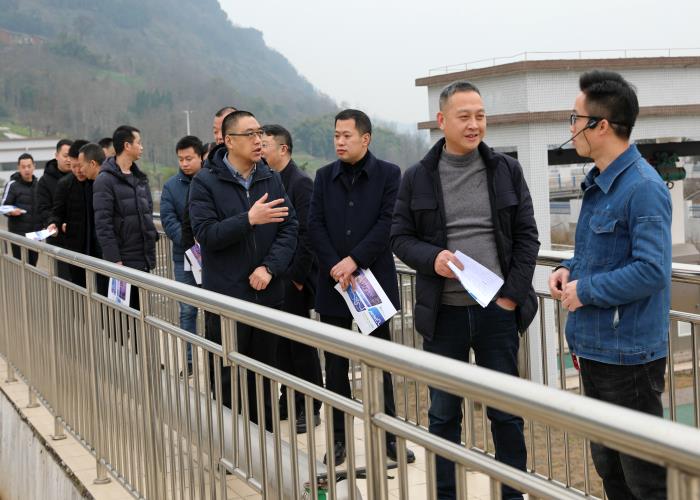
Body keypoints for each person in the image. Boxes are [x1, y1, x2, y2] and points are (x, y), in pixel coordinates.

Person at [391, 81, 539, 500]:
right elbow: (399, 237)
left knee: (506, 413)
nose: (474, 124)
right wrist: (432, 258)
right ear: (442, 121)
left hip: (497, 312)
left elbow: (527, 237)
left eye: (480, 116)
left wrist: (510, 297)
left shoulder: (506, 170)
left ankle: (513, 494)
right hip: (444, 315)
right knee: (443, 415)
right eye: (465, 117)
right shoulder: (417, 177)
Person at [549, 70, 671, 500]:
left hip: (629, 357)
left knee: (644, 480)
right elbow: (597, 252)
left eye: (575, 118)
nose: (571, 128)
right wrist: (568, 268)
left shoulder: (643, 188)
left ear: (601, 126)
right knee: (611, 472)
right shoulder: (600, 184)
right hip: (596, 349)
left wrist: (585, 291)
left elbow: (652, 269)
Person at [308, 109, 414, 466]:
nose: (339, 141)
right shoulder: (324, 176)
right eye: (336, 135)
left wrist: (354, 260)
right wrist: (336, 266)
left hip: (372, 285)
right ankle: (338, 440)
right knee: (336, 366)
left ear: (365, 139)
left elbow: (388, 223)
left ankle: (389, 438)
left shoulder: (389, 174)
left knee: (380, 363)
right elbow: (315, 225)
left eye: (346, 136)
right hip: (334, 286)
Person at [189, 110, 297, 431]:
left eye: (259, 132)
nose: (258, 140)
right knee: (227, 377)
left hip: (266, 296)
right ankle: (230, 445)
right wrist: (249, 219)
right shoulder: (205, 182)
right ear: (229, 141)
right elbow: (206, 234)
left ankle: (264, 445)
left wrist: (270, 267)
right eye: (250, 134)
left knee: (264, 377)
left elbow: (289, 227)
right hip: (227, 300)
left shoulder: (269, 177)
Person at [261, 124, 322, 433]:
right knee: (280, 344)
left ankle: (310, 405)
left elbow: (308, 234)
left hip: (294, 278)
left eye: (265, 145)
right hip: (274, 274)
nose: (260, 150)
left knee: (300, 345)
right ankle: (289, 397)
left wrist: (297, 276)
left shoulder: (300, 183)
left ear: (283, 149)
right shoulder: (269, 181)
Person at [93, 125, 158, 310]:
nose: (142, 147)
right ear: (127, 146)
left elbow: (147, 212)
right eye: (139, 143)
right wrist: (114, 260)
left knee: (142, 313)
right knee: (122, 316)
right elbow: (103, 224)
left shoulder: (140, 179)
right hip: (123, 261)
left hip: (142, 259)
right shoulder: (105, 180)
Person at [160, 135, 205, 375]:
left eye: (189, 158)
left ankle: (217, 360)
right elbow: (168, 220)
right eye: (181, 159)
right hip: (185, 257)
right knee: (187, 310)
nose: (184, 163)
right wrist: (191, 243)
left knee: (216, 309)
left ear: (200, 157)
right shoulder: (171, 186)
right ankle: (189, 361)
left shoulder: (210, 181)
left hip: (213, 257)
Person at [48, 140, 91, 286]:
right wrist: (54, 223)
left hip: (97, 250)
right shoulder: (65, 184)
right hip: (75, 249)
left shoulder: (97, 182)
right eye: (73, 166)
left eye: (80, 166)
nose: (78, 171)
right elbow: (57, 212)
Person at [2, 153, 39, 265]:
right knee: (20, 266)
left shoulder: (39, 185)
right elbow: (3, 206)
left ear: (34, 166)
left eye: (29, 166)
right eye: (23, 167)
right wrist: (11, 212)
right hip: (18, 235)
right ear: (19, 168)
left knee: (33, 267)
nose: (26, 169)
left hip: (35, 235)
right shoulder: (12, 185)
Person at [36, 138, 73, 245]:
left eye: (71, 156)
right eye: (65, 156)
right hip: (56, 236)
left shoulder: (79, 177)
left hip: (78, 235)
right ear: (56, 155)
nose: (69, 160)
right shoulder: (45, 181)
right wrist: (53, 223)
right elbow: (44, 208)